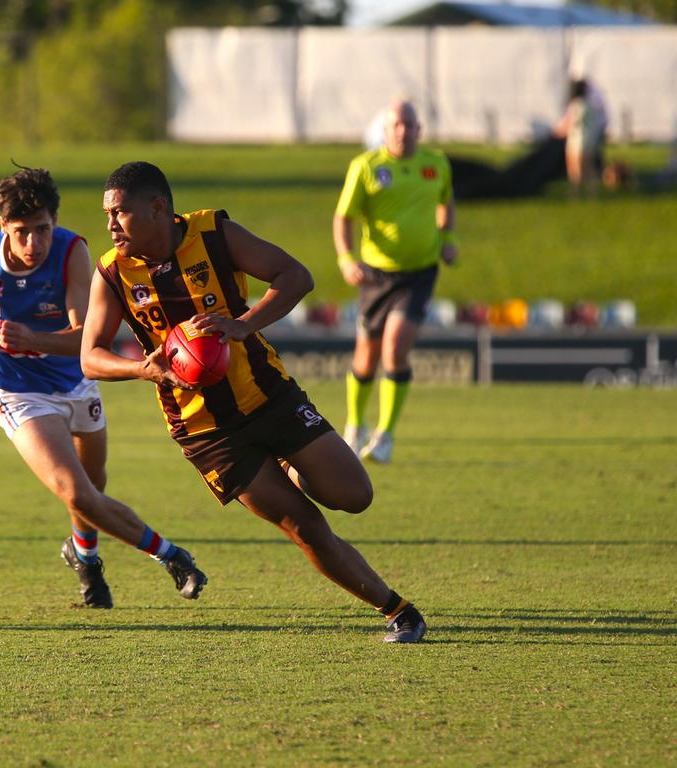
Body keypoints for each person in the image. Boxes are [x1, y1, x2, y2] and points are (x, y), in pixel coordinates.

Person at [81, 160, 426, 643]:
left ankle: (288, 464)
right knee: (303, 526)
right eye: (106, 215)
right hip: (207, 432)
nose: (110, 224)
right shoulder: (113, 273)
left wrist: (244, 324)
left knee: (354, 495)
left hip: (268, 397)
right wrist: (146, 367)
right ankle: (398, 611)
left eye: (119, 212)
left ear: (158, 208)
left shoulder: (214, 233)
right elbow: (90, 357)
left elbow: (295, 276)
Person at [0, 166, 207, 609]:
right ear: (3, 226)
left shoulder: (72, 253)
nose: (33, 244)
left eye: (43, 229)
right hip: (18, 392)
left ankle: (84, 559)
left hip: (76, 383)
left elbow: (85, 340)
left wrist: (33, 340)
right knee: (76, 491)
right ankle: (171, 556)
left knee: (93, 489)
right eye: (22, 232)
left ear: (56, 222)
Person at [334, 99, 458, 464]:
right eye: (396, 125)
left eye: (410, 124)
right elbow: (343, 217)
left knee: (395, 348)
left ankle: (385, 435)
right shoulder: (366, 167)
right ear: (385, 131)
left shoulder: (435, 165)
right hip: (375, 275)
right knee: (366, 358)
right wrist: (346, 258)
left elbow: (446, 203)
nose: (403, 131)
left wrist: (448, 239)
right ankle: (355, 425)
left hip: (419, 273)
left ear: (420, 129)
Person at [555, 79, 604, 198]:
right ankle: (592, 194)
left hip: (576, 141)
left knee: (575, 170)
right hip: (589, 141)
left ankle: (575, 194)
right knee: (589, 169)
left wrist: (556, 132)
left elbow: (569, 123)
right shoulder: (590, 105)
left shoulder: (576, 106)